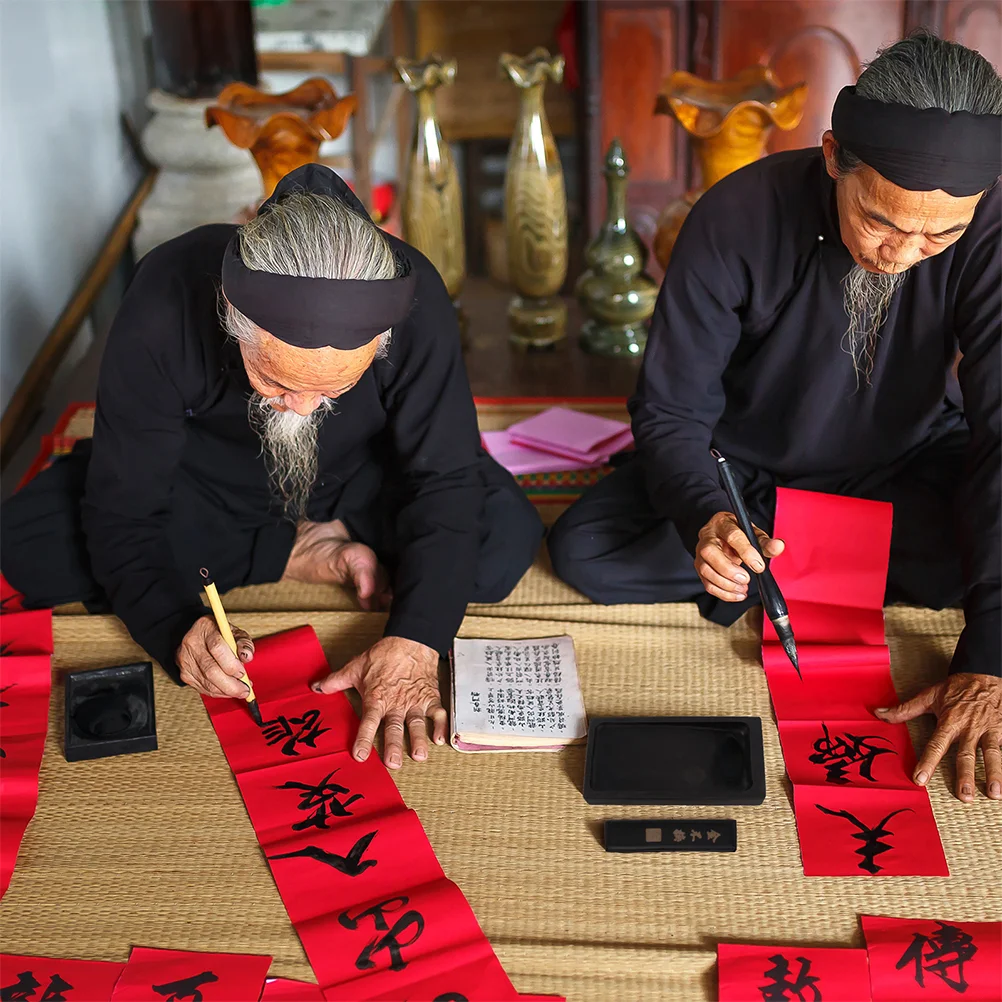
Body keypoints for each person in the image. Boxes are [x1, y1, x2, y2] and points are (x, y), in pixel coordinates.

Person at [547, 33, 1001, 802]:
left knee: (985, 573)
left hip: (902, 466)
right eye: (882, 220)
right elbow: (669, 410)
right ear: (833, 157)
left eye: (940, 235)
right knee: (588, 549)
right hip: (746, 477)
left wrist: (989, 654)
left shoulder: (988, 229)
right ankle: (805, 564)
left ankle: (787, 571)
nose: (905, 252)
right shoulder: (736, 215)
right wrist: (705, 520)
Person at [1, 164, 543, 768]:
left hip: (360, 479)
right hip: (210, 485)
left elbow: (444, 477)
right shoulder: (165, 298)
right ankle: (289, 550)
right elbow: (125, 510)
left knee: (501, 539)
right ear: (235, 323)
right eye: (279, 381)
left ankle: (312, 539)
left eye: (335, 387)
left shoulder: (417, 299)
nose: (307, 407)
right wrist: (175, 625)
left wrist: (417, 639)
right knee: (29, 545)